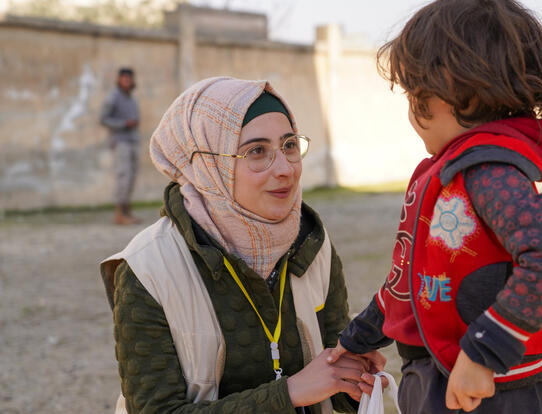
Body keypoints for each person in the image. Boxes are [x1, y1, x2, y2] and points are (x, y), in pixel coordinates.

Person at [328, 1, 542, 413]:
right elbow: (409, 278)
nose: (410, 112)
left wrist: (484, 354)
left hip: (487, 393)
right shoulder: (452, 171)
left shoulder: (491, 172)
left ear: (450, 89)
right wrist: (359, 337)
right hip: (436, 380)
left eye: (413, 93)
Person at [100, 77, 385, 414]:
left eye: (290, 145)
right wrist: (288, 393)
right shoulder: (147, 270)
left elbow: (328, 372)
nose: (285, 169)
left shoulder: (313, 246)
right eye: (257, 151)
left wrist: (352, 378)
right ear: (207, 166)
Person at [100, 67, 142, 225]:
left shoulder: (132, 98)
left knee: (132, 176)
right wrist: (124, 124)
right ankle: (119, 214)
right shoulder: (112, 97)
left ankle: (127, 211)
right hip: (120, 142)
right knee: (123, 176)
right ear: (119, 79)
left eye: (129, 78)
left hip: (133, 141)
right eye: (124, 78)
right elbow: (103, 119)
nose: (127, 81)